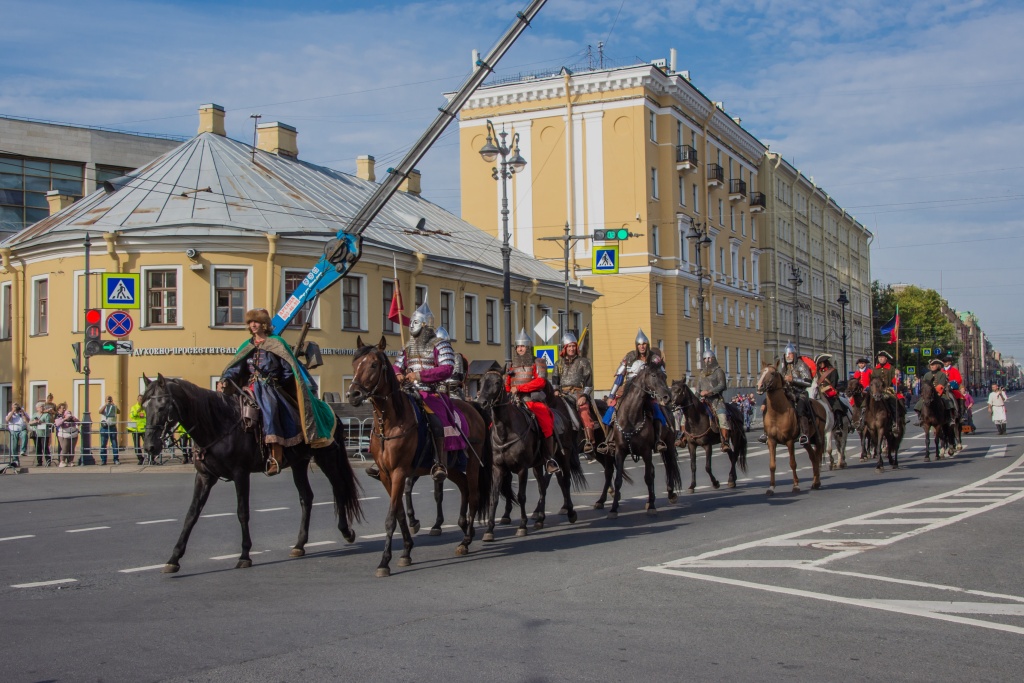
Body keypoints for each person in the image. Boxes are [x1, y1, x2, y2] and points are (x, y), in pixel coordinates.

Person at [220, 308, 336, 476]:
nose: (253, 325)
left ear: (264, 324)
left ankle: (276, 457)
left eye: (256, 322)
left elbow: (288, 369)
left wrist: (275, 381)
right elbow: (236, 368)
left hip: (269, 388)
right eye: (250, 322)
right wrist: (225, 378)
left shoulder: (276, 343)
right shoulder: (247, 346)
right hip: (249, 388)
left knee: (270, 410)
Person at [388, 302, 469, 482]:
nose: (412, 326)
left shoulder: (440, 345)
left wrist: (419, 375)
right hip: (408, 392)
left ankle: (439, 462)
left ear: (425, 325)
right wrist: (399, 374)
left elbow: (447, 368)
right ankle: (382, 458)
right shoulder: (408, 347)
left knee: (437, 421)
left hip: (431, 393)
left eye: (416, 323)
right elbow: (396, 366)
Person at [603, 329, 670, 453]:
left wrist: (662, 394)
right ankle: (610, 440)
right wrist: (612, 395)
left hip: (649, 393)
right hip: (628, 392)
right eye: (639, 344)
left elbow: (661, 377)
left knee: (657, 412)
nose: (642, 347)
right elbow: (619, 377)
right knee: (612, 411)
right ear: (636, 345)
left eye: (644, 344)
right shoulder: (629, 357)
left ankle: (658, 440)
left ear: (647, 345)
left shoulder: (654, 359)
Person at [507, 328, 560, 474]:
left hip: (532, 402)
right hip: (514, 402)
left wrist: (520, 388)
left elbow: (541, 382)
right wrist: (507, 380)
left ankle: (549, 458)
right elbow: (507, 386)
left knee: (546, 422)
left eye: (523, 346)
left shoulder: (538, 362)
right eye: (518, 346)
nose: (520, 349)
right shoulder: (511, 364)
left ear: (528, 347)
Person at [759, 342, 814, 444]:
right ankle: (767, 433)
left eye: (790, 354)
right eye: (786, 354)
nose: (788, 356)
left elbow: (808, 381)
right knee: (768, 407)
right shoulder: (784, 368)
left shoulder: (801, 365)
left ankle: (804, 434)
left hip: (799, 393)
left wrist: (793, 379)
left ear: (794, 354)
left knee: (801, 409)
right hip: (787, 392)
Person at [554, 332, 597, 455]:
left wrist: (584, 396)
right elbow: (555, 381)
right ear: (564, 348)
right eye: (569, 346)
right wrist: (556, 390)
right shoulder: (559, 363)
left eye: (573, 346)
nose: (571, 348)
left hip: (578, 393)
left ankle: (590, 441)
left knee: (584, 412)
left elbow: (589, 383)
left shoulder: (583, 362)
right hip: (562, 394)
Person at [697, 348, 730, 452]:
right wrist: (696, 397)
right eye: (705, 359)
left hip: (716, 400)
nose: (707, 361)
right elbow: (698, 390)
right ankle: (683, 437)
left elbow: (722, 385)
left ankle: (725, 441)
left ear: (713, 359)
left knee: (722, 418)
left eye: (709, 358)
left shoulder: (719, 371)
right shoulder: (702, 373)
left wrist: (709, 392)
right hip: (703, 402)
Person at [914, 358, 956, 427]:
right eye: (931, 365)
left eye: (933, 365)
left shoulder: (942, 374)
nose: (932, 366)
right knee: (919, 403)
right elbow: (924, 385)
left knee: (948, 402)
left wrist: (936, 392)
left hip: (940, 393)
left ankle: (950, 418)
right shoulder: (927, 375)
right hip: (928, 394)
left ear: (937, 366)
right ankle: (920, 418)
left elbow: (941, 385)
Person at [872, 351, 902, 435]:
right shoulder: (875, 369)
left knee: (893, 402)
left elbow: (894, 381)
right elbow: (872, 380)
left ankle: (894, 421)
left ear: (886, 359)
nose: (880, 359)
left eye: (882, 357)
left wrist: (896, 376)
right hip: (877, 390)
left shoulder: (891, 368)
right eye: (879, 358)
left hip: (887, 389)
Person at [435, 327, 468, 400]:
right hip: (435, 391)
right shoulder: (432, 358)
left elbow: (456, 379)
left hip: (452, 392)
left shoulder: (455, 357)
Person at [942, 355, 965, 424]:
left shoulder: (954, 370)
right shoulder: (941, 370)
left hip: (952, 389)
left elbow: (959, 379)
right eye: (944, 362)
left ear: (949, 362)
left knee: (960, 397)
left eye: (946, 362)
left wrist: (950, 384)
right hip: (942, 389)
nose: (945, 363)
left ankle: (960, 415)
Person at [99, 395, 120, 465]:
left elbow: (119, 411)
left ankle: (116, 459)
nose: (109, 401)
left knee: (114, 443)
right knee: (103, 444)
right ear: (105, 400)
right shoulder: (103, 406)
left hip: (112, 426)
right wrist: (106, 405)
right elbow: (100, 411)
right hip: (104, 427)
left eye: (110, 400)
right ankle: (103, 460)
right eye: (108, 400)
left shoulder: (113, 406)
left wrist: (113, 405)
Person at [5, 402, 29, 467]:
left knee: (24, 435)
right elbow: (7, 420)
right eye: (14, 407)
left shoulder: (23, 413)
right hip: (13, 430)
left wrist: (23, 413)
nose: (16, 408)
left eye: (17, 407)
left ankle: (23, 450)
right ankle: (15, 460)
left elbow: (27, 421)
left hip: (22, 429)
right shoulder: (11, 413)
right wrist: (13, 411)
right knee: (14, 446)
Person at [30, 401, 52, 466]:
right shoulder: (35, 414)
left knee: (45, 447)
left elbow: (48, 423)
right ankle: (39, 462)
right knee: (38, 448)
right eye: (40, 407)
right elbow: (30, 422)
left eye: (43, 406)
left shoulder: (46, 415)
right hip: (36, 433)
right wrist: (34, 421)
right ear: (37, 408)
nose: (42, 408)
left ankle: (48, 461)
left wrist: (41, 422)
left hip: (44, 433)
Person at [128, 395, 146, 465]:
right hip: (135, 429)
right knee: (136, 445)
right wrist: (138, 411)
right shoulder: (134, 407)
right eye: (140, 399)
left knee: (147, 444)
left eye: (142, 399)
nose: (141, 400)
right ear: (137, 399)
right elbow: (132, 416)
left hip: (144, 429)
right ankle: (140, 458)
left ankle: (150, 458)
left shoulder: (145, 407)